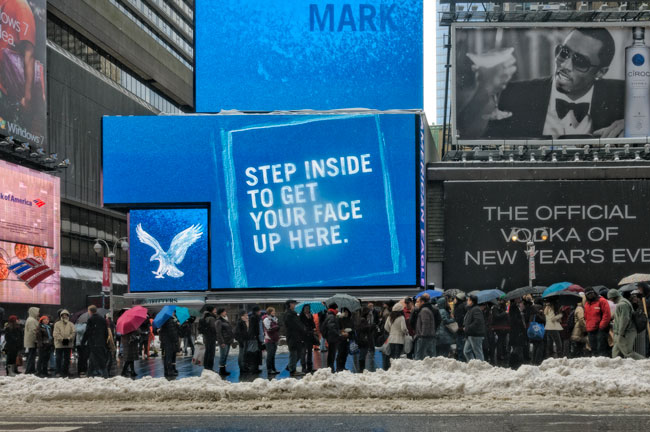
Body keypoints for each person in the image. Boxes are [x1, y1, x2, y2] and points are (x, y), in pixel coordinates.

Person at [459, 28, 623, 139]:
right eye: (564, 52)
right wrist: (483, 89)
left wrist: (635, 126)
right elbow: (469, 135)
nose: (565, 65)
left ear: (601, 72)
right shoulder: (515, 94)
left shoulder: (623, 95)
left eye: (580, 62)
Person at [608, 289, 644, 360]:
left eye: (610, 299)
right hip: (621, 333)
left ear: (613, 297)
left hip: (626, 332)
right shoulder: (623, 303)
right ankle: (615, 367)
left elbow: (624, 320)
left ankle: (646, 363)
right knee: (616, 353)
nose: (610, 301)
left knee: (628, 353)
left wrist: (621, 333)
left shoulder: (622, 304)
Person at [584, 286, 612, 357]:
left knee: (601, 349)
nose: (590, 295)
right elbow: (586, 316)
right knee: (594, 349)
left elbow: (607, 314)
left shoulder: (602, 301)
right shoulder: (587, 304)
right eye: (588, 294)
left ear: (594, 292)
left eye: (591, 293)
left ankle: (603, 364)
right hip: (590, 329)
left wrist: (602, 326)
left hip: (600, 329)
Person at [82, 305, 108, 378]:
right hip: (101, 342)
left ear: (90, 311)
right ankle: (89, 374)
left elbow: (88, 332)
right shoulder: (103, 319)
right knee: (93, 358)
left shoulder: (91, 319)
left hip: (93, 343)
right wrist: (104, 341)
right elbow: (106, 332)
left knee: (99, 359)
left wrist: (83, 342)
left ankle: (105, 375)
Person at [283, 300, 305, 376]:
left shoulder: (293, 313)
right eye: (293, 303)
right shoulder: (289, 314)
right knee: (294, 354)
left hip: (296, 336)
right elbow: (295, 325)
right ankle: (292, 370)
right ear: (289, 305)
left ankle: (290, 367)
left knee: (298, 353)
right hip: (292, 336)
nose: (295, 305)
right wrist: (303, 328)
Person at [384, 303, 408, 369]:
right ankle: (396, 369)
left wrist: (391, 332)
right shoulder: (401, 317)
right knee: (397, 356)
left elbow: (386, 327)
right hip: (399, 340)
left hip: (391, 339)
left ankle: (391, 368)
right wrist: (406, 332)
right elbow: (403, 328)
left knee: (391, 355)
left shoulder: (389, 317)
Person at [463, 295, 487, 361]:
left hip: (476, 334)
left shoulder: (476, 309)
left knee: (478, 352)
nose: (467, 301)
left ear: (472, 301)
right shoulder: (471, 309)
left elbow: (477, 321)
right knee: (467, 351)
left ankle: (481, 367)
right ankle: (473, 364)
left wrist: (468, 328)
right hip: (470, 334)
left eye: (468, 300)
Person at [53, 309, 75, 377]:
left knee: (67, 359)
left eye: (66, 315)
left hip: (68, 344)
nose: (65, 316)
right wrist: (62, 339)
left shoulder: (71, 324)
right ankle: (58, 371)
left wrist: (68, 338)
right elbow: (55, 333)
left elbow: (73, 332)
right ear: (61, 315)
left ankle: (65, 371)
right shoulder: (57, 324)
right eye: (63, 315)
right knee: (58, 359)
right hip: (59, 344)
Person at [414, 294, 436, 360]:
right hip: (427, 336)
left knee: (420, 356)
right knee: (428, 355)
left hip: (424, 337)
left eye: (418, 302)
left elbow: (425, 324)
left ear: (422, 302)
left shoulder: (424, 310)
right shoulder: (426, 309)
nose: (416, 303)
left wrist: (422, 335)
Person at [321, 304, 340, 372]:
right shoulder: (331, 316)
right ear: (334, 308)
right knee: (332, 353)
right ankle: (331, 368)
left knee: (331, 353)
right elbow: (331, 326)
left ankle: (330, 367)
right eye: (337, 308)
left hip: (331, 337)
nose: (338, 310)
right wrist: (338, 334)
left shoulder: (330, 315)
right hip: (332, 337)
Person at [159, 314, 180, 379]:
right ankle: (170, 371)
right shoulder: (170, 321)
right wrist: (176, 339)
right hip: (169, 341)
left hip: (166, 340)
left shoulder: (165, 320)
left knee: (167, 356)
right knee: (169, 356)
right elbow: (172, 332)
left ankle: (167, 371)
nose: (174, 313)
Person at [214, 308, 234, 376]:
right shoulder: (219, 321)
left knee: (225, 356)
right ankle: (221, 371)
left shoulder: (226, 319)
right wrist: (221, 342)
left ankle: (224, 370)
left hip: (228, 340)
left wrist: (231, 340)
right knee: (223, 356)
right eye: (224, 311)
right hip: (224, 341)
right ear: (221, 313)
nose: (226, 312)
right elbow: (218, 332)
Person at [491, 299, 510, 365]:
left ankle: (503, 354)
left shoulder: (501, 307)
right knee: (500, 341)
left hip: (504, 327)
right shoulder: (495, 308)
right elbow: (497, 316)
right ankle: (499, 355)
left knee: (503, 341)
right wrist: (505, 313)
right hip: (499, 327)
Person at [336, 307, 355, 372]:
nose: (346, 313)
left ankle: (343, 366)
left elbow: (353, 328)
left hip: (348, 338)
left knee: (345, 353)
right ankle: (338, 367)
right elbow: (337, 328)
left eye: (347, 312)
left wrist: (349, 333)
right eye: (345, 312)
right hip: (341, 339)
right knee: (340, 353)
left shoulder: (350, 320)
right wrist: (342, 332)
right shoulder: (339, 319)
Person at [200, 306, 218, 372]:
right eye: (215, 309)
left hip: (206, 337)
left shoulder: (204, 317)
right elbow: (214, 328)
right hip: (211, 337)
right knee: (211, 353)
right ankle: (210, 367)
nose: (216, 310)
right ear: (212, 310)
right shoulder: (211, 318)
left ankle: (206, 366)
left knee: (207, 352)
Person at [299, 305, 316, 374]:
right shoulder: (301, 316)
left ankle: (309, 367)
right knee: (303, 352)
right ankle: (303, 367)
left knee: (310, 352)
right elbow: (301, 326)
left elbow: (313, 324)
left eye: (308, 308)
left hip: (310, 336)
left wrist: (313, 326)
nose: (307, 310)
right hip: (303, 336)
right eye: (306, 308)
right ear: (303, 309)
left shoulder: (310, 315)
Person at [263, 307, 280, 375]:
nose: (274, 312)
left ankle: (273, 368)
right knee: (270, 355)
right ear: (269, 312)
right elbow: (268, 329)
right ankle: (269, 369)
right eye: (273, 311)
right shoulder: (266, 319)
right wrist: (276, 327)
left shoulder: (275, 319)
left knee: (273, 355)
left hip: (274, 339)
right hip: (269, 339)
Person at [23, 306, 39, 374]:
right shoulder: (32, 320)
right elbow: (33, 331)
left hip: (30, 340)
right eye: (38, 311)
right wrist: (36, 340)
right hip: (32, 341)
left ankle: (31, 369)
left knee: (31, 356)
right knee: (31, 356)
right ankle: (29, 370)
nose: (38, 313)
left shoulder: (30, 319)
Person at [453, 293, 467, 361]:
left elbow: (459, 319)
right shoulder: (464, 306)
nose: (454, 300)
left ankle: (461, 360)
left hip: (460, 329)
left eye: (455, 298)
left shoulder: (459, 307)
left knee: (460, 346)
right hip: (463, 328)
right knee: (462, 345)